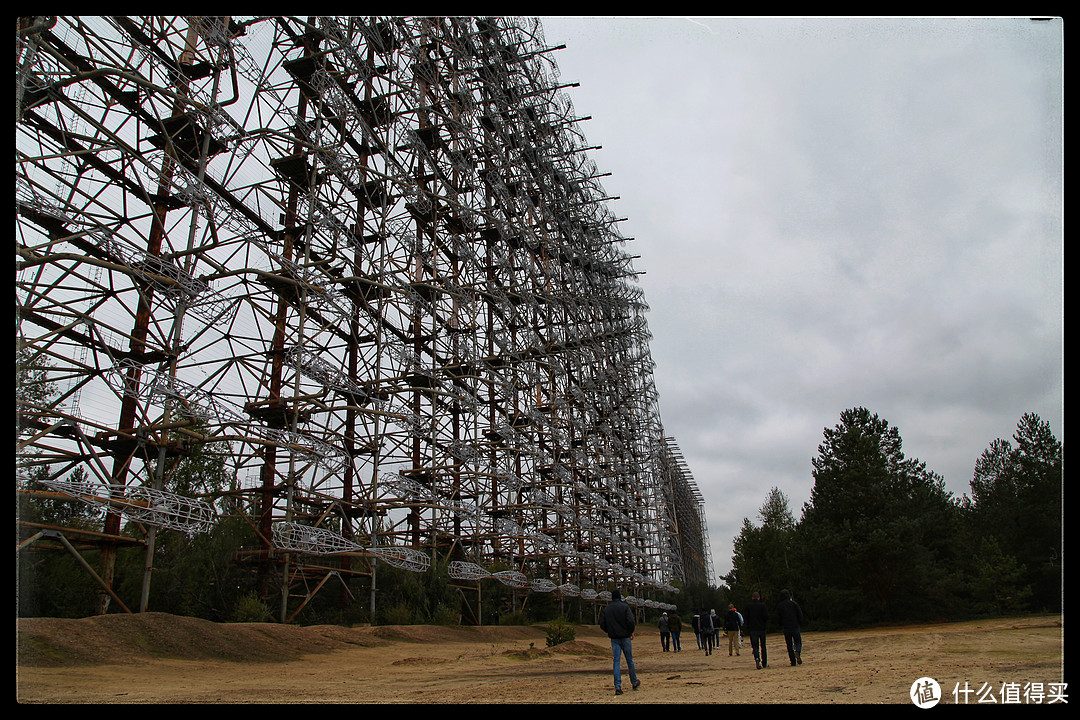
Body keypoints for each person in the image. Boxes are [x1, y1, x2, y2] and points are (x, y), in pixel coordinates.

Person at [599, 589, 640, 695]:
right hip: (625, 637)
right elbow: (631, 621)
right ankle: (634, 682)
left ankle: (618, 686)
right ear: (620, 597)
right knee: (629, 661)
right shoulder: (625, 607)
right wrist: (630, 632)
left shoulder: (607, 609)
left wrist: (610, 631)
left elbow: (602, 624)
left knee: (616, 662)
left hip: (614, 638)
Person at [776, 589, 805, 666]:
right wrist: (801, 622)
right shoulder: (794, 604)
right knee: (798, 641)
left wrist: (780, 625)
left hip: (786, 627)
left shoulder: (779, 606)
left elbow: (778, 617)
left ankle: (793, 661)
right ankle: (798, 651)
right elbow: (799, 614)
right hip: (795, 626)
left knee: (789, 645)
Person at [744, 591, 769, 669]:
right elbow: (766, 617)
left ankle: (757, 658)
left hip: (753, 629)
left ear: (752, 598)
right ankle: (764, 662)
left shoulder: (748, 606)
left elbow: (746, 618)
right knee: (763, 646)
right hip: (761, 628)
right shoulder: (762, 606)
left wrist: (748, 627)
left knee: (755, 646)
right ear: (759, 598)